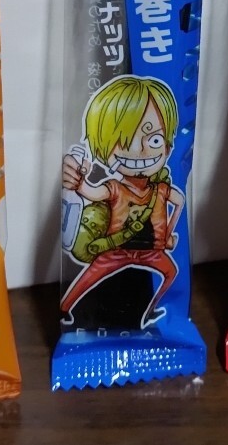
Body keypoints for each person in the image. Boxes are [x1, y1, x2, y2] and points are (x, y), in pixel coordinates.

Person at [61, 75, 185, 328]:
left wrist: (167, 234)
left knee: (171, 273)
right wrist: (78, 180)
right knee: (89, 277)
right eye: (124, 142)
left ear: (167, 147)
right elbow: (92, 192)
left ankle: (152, 310)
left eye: (154, 140)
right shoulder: (115, 188)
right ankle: (64, 308)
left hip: (152, 251)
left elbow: (180, 201)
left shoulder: (160, 189)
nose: (139, 151)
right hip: (116, 249)